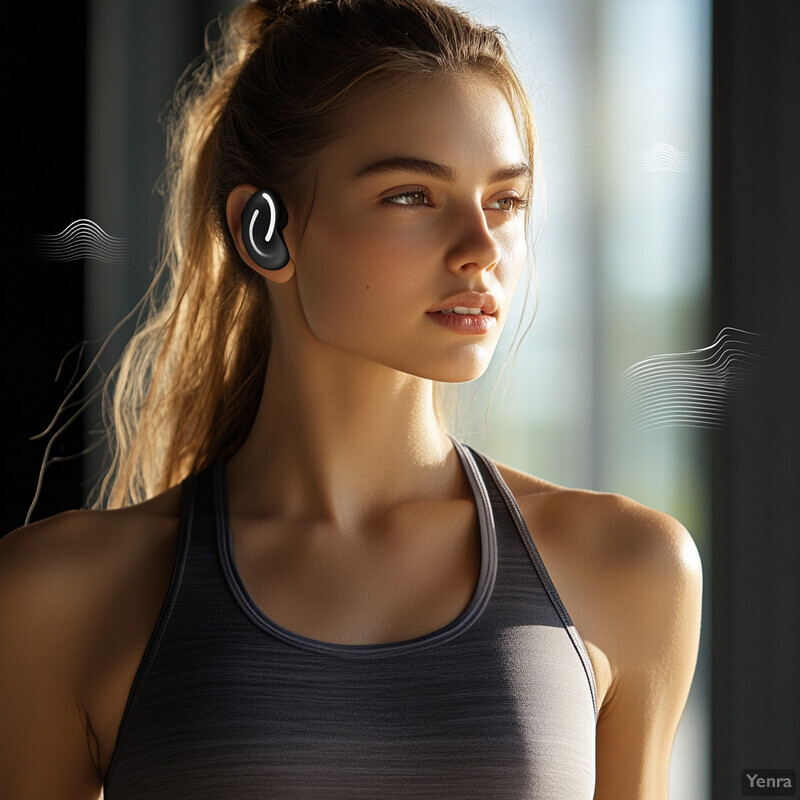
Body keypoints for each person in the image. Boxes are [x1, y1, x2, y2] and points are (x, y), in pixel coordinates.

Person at [0, 0, 703, 797]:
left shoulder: (630, 570)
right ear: (264, 229)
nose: (482, 251)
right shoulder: (58, 597)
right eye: (412, 195)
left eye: (504, 201)